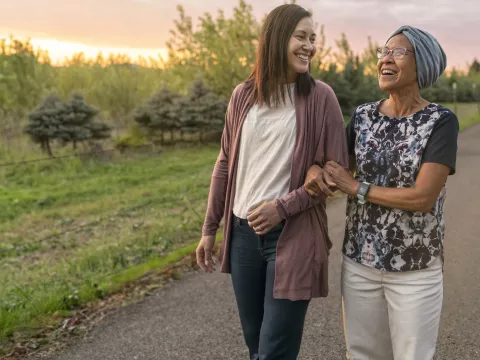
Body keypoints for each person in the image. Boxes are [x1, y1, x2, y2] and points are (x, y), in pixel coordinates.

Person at [195, 4, 349, 360]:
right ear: (276, 38)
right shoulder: (243, 95)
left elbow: (335, 172)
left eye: (313, 39)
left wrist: (283, 207)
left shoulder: (320, 97)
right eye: (301, 36)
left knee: (274, 351)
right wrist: (209, 228)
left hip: (294, 236)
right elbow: (223, 165)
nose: (309, 46)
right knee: (255, 346)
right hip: (242, 237)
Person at [305, 25, 458, 360]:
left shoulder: (440, 121)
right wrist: (316, 172)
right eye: (383, 52)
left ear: (423, 65)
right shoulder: (362, 117)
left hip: (416, 269)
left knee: (413, 355)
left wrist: (355, 187)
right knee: (362, 354)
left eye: (398, 52)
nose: (386, 59)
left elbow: (422, 198)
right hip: (361, 261)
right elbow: (333, 167)